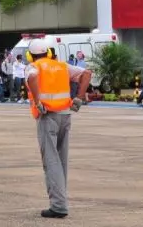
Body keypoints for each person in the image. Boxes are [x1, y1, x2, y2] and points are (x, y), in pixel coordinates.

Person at [25, 39, 91, 219]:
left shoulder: (34, 67)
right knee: (61, 160)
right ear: (48, 52)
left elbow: (32, 77)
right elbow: (86, 73)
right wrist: (79, 97)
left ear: (30, 55)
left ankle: (58, 206)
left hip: (47, 116)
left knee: (51, 161)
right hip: (65, 115)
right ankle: (61, 200)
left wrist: (38, 101)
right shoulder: (62, 66)